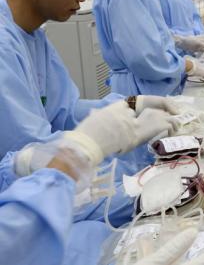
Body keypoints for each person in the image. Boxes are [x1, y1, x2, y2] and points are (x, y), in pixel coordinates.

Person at [0, 0, 183, 227]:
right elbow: (33, 157)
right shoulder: (4, 45)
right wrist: (113, 160)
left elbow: (65, 111)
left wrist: (130, 107)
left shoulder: (32, 36)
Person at [0, 101, 177, 265]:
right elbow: (14, 237)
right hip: (36, 202)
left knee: (100, 232)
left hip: (38, 190)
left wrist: (132, 103)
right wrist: (74, 154)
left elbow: (65, 108)